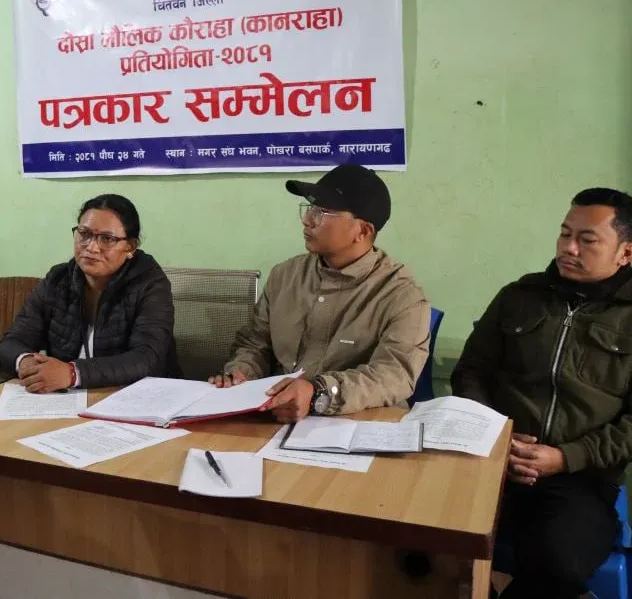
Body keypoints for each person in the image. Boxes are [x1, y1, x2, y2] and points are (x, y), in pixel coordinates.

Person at [452, 188, 632, 599]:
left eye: (587, 240)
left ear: (625, 252)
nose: (569, 248)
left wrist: (566, 457)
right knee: (420, 537)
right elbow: (471, 371)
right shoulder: (519, 296)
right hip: (493, 462)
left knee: (557, 563)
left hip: (579, 478)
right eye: (565, 234)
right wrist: (495, 435)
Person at [210, 164, 430, 421]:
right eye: (309, 208)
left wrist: (318, 393)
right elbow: (254, 343)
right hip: (278, 420)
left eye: (322, 212)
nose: (307, 220)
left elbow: (393, 376)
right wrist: (241, 374)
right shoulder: (285, 276)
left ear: (362, 231)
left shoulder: (402, 297)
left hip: (355, 425)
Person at [0, 194, 180, 391]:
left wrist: (73, 373)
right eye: (84, 234)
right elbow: (12, 342)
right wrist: (25, 362)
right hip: (68, 398)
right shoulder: (58, 279)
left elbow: (146, 359)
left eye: (107, 239)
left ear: (130, 247)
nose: (91, 247)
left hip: (141, 398)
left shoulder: (150, 284)